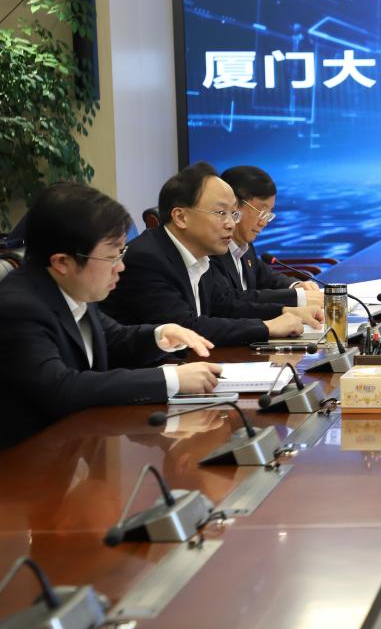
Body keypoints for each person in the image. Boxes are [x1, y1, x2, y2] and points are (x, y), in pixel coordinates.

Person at [0, 183, 221, 449]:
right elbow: (60, 389)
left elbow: (113, 339)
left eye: (121, 253)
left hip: (80, 443)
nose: (121, 267)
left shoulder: (72, 288)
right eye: (111, 257)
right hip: (28, 460)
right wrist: (169, 380)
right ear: (62, 262)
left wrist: (161, 335)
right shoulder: (19, 307)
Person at [102, 162, 316, 346]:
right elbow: (184, 327)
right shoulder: (147, 258)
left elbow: (225, 305)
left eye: (233, 214)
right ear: (181, 217)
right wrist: (266, 327)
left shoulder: (200, 256)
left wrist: (286, 312)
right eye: (221, 213)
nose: (231, 224)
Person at [211, 165, 321, 306]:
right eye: (261, 212)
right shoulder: (211, 250)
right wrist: (296, 298)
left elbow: (267, 277)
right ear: (234, 206)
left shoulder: (245, 247)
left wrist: (296, 286)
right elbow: (230, 300)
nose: (263, 222)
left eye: (268, 214)